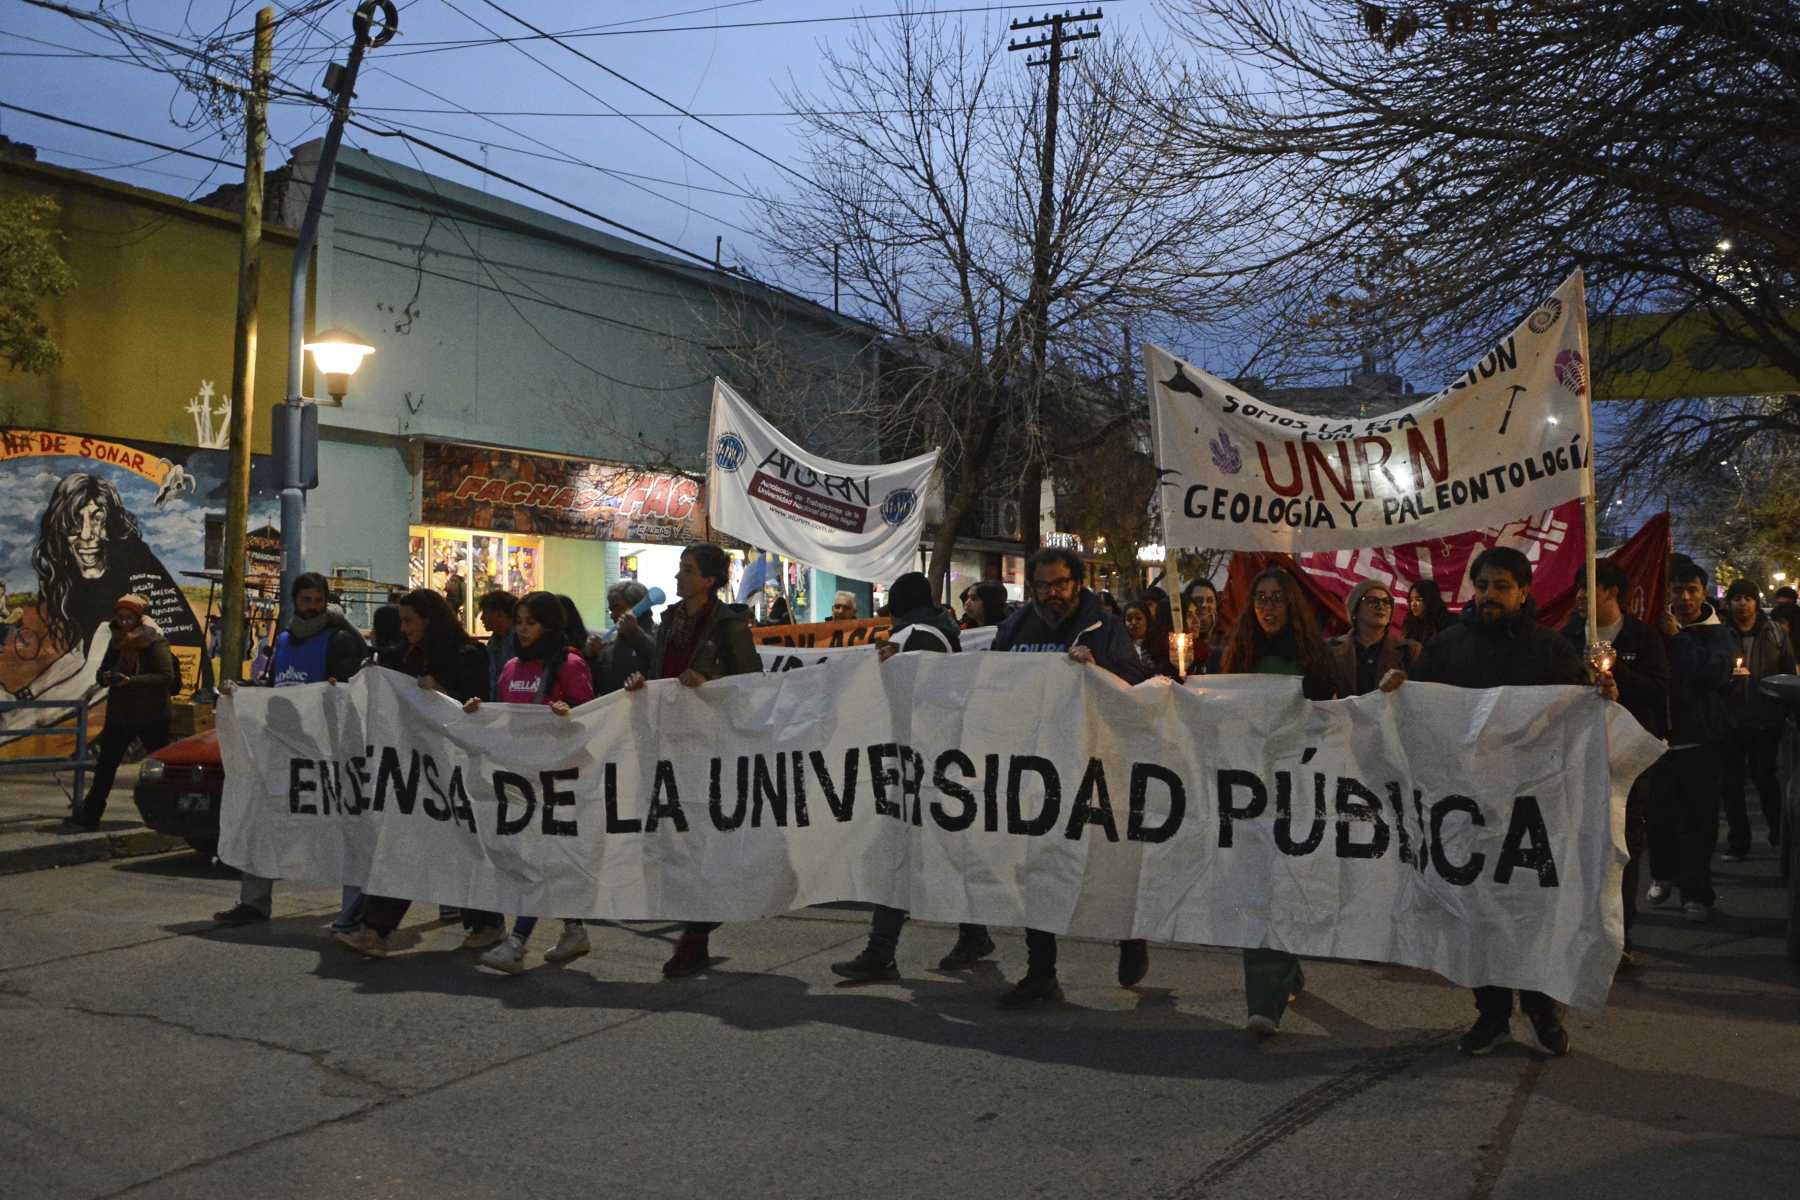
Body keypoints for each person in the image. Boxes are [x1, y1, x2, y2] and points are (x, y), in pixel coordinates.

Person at [1391, 547, 1597, 1058]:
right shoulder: (1447, 648)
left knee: (1531, 909)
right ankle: (1491, 1014)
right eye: (1482, 585)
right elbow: (1417, 709)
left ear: (1523, 592)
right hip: (1468, 806)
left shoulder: (1550, 650)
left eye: (1501, 586)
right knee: (1478, 911)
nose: (1489, 595)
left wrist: (1601, 696)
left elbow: (1579, 715)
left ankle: (1542, 1011)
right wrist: (1396, 692)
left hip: (1534, 809)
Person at [988, 546, 1151, 1010]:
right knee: (1037, 867)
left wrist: (1096, 668)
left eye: (1060, 584)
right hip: (1036, 767)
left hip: (1094, 764)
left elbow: (1134, 682)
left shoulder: (1105, 628)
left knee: (1103, 860)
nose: (1051, 594)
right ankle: (1041, 972)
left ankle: (1129, 934)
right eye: (1042, 586)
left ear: (1077, 583)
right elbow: (991, 681)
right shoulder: (1016, 628)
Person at [830, 572, 986, 983]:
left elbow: (916, 691)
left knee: (902, 853)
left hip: (921, 761)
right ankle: (971, 934)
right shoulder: (935, 632)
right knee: (925, 852)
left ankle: (883, 952)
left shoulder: (919, 636)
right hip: (926, 759)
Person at [623, 543, 763, 977]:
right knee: (676, 838)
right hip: (670, 736)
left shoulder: (729, 624)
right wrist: (643, 683)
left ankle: (694, 937)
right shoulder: (671, 620)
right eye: (680, 568)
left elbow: (751, 679)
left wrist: (709, 679)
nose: (678, 576)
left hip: (710, 742)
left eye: (687, 570)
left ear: (709, 580)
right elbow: (662, 669)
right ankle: (700, 924)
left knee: (699, 836)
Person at [1219, 566, 1340, 1039]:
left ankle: (1277, 982)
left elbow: (1333, 720)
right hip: (1249, 789)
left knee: (1285, 884)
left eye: (1277, 599)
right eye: (1261, 599)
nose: (1268, 608)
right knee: (1257, 887)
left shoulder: (1316, 662)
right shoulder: (1236, 657)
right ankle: (1266, 998)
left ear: (1293, 605)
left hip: (1297, 788)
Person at [338, 589, 493, 959]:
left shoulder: (468, 655)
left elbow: (477, 707)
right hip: (416, 769)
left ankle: (485, 923)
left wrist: (441, 692)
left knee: (458, 846)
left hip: (454, 770)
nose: (404, 628)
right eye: (401, 621)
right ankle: (376, 930)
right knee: (407, 842)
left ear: (429, 619)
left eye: (409, 620)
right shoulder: (406, 656)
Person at [215, 573, 370, 927]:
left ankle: (354, 911)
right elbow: (273, 687)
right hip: (284, 747)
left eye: (318, 600)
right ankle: (253, 902)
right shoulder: (283, 640)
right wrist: (242, 692)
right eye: (306, 600)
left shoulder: (341, 640)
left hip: (326, 754)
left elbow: (352, 694)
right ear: (295, 601)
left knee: (345, 828)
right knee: (263, 819)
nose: (312, 607)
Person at [464, 592, 597, 974]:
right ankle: (574, 929)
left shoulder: (569, 664)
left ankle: (518, 943)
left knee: (538, 857)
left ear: (549, 626)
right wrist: (478, 711)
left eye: (531, 622)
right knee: (541, 857)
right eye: (520, 621)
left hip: (558, 780)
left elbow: (591, 717)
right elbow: (502, 715)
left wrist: (568, 715)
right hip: (520, 777)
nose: (522, 629)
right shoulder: (510, 668)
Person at [1559, 558, 1669, 963]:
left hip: (1625, 756)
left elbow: (1658, 691)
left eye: (1589, 588)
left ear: (1612, 592)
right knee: (1579, 841)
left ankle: (1618, 934)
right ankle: (1580, 928)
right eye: (1579, 589)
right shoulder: (1567, 637)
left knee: (1622, 842)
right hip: (1578, 754)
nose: (1580, 597)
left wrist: (1616, 673)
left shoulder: (1643, 637)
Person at [1645, 556, 1736, 924]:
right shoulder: (1653, 628)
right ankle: (1662, 874)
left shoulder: (1718, 634)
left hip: (1701, 742)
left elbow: (1713, 674)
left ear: (1703, 593)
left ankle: (1696, 893)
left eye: (1692, 590)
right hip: (1657, 741)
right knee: (1659, 818)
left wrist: (1678, 639)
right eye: (1678, 590)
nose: (1685, 597)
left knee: (1699, 822)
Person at [67, 595, 177, 830]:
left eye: (129, 618)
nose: (124, 622)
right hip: (121, 714)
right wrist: (106, 676)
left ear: (138, 618)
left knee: (161, 767)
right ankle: (90, 815)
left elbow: (166, 676)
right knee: (106, 766)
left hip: (152, 715)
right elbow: (101, 671)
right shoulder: (116, 641)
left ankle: (173, 813)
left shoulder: (154, 641)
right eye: (121, 618)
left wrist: (131, 681)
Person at [1718, 579, 1794, 859]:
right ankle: (1739, 842)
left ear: (1755, 602)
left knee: (1765, 779)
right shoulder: (1721, 634)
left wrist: (1782, 708)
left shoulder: (1774, 632)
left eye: (1748, 598)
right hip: (1730, 720)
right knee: (1732, 784)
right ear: (1729, 603)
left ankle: (1778, 835)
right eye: (1737, 598)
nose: (1743, 604)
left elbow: (1787, 672)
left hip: (1765, 721)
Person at [1325, 579, 1419, 697]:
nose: (1381, 606)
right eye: (1372, 601)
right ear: (1355, 609)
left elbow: (1422, 693)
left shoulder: (1409, 650)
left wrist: (1405, 681)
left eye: (1386, 602)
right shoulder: (1330, 648)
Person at [592, 580, 659, 696]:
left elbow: (658, 661)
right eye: (611, 610)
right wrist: (591, 656)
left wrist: (635, 633)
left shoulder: (660, 636)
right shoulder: (612, 647)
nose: (612, 615)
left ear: (639, 607)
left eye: (618, 608)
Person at [477, 589, 519, 694]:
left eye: (485, 612)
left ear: (500, 614)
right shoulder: (494, 641)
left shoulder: (521, 641)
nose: (481, 618)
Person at [1123, 601, 1176, 677]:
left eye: (1138, 618)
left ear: (1147, 620)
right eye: (1129, 619)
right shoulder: (1121, 646)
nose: (1134, 622)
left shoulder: (1159, 643)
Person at [1184, 579, 1224, 673]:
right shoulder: (1181, 641)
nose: (1204, 605)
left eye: (1210, 600)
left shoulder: (1228, 637)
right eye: (1198, 600)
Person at [1403, 579, 1454, 644]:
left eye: (1418, 599)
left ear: (1430, 599)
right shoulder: (1410, 623)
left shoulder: (1451, 622)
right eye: (1411, 600)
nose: (1413, 604)